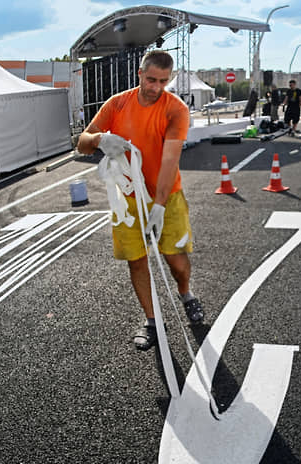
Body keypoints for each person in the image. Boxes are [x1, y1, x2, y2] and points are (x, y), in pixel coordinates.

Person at [76, 50, 204, 351]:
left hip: (166, 196)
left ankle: (186, 293)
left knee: (176, 260)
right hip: (128, 199)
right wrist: (99, 140)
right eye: (151, 80)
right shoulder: (118, 104)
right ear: (139, 74)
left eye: (163, 81)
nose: (156, 87)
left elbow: (169, 161)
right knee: (137, 260)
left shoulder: (176, 109)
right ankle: (151, 320)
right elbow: (81, 143)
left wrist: (158, 206)